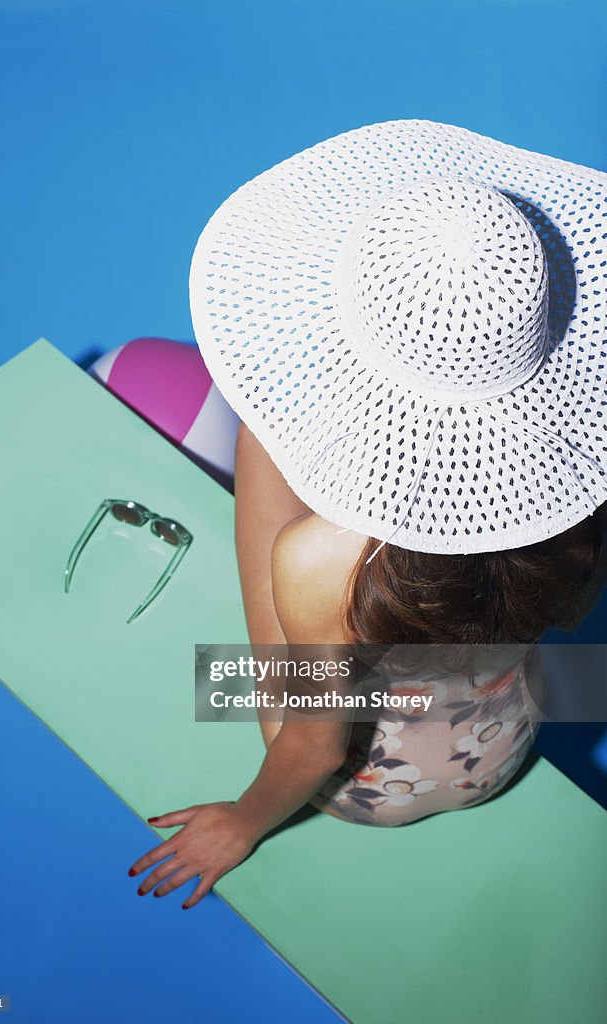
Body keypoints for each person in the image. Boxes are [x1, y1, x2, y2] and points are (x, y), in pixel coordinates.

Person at [128, 118, 607, 909]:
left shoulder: (320, 559)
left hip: (366, 787)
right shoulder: (583, 481)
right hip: (504, 742)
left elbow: (317, 749)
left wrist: (243, 823)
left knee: (261, 439)